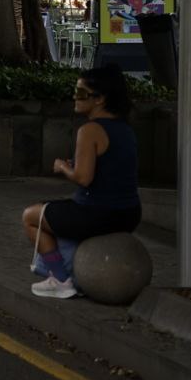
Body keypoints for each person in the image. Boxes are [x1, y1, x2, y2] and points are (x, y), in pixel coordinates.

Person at [22, 65, 142, 299]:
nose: (74, 98)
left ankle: (60, 279)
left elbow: (83, 178)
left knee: (30, 217)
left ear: (99, 99)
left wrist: (63, 167)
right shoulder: (125, 129)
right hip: (129, 213)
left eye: (80, 93)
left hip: (97, 213)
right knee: (57, 212)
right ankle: (73, 274)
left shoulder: (90, 130)